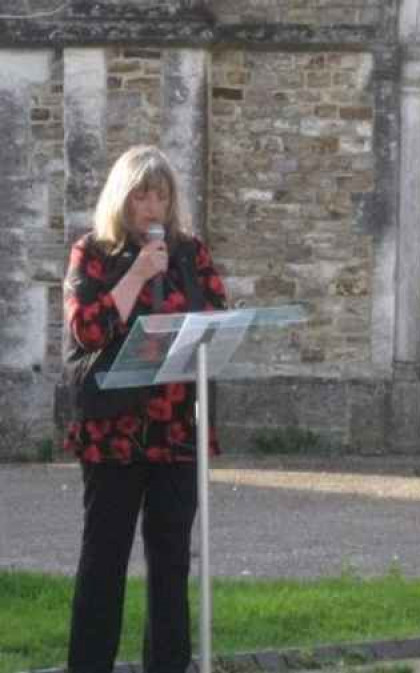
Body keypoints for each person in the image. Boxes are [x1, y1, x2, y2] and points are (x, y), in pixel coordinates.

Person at [62, 145, 228, 673]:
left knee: (171, 564)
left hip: (177, 428)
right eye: (141, 195)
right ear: (122, 198)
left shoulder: (190, 253)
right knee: (104, 561)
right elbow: (85, 330)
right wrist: (134, 276)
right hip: (114, 431)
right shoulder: (92, 253)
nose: (152, 208)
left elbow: (217, 315)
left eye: (161, 195)